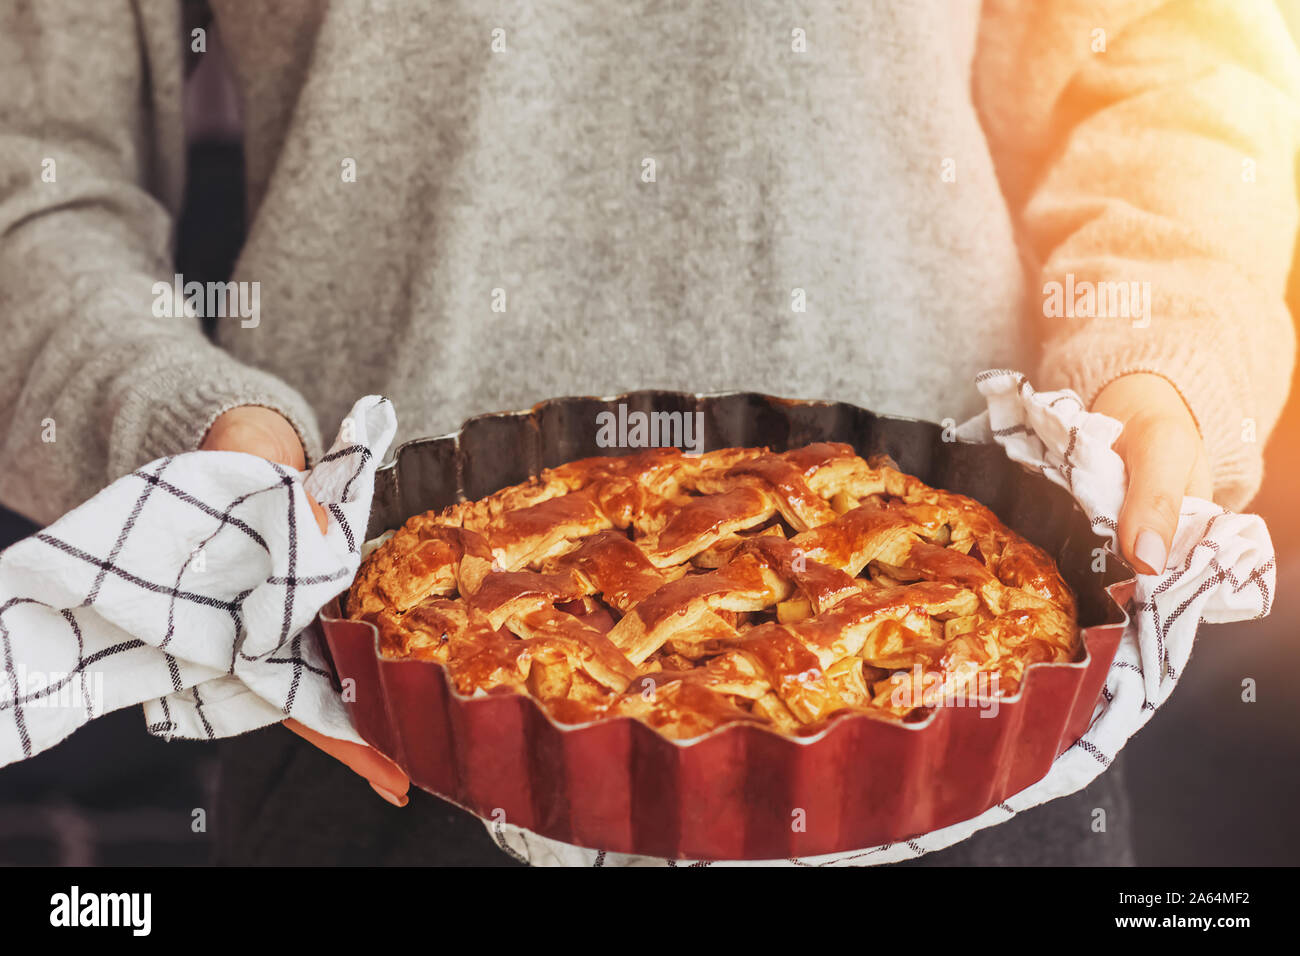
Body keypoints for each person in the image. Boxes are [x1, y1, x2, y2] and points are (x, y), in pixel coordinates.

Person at [0, 0, 1294, 866]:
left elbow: (1167, 53)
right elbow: (31, 169)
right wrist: (206, 451)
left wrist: (1161, 346)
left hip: (975, 734)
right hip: (381, 725)